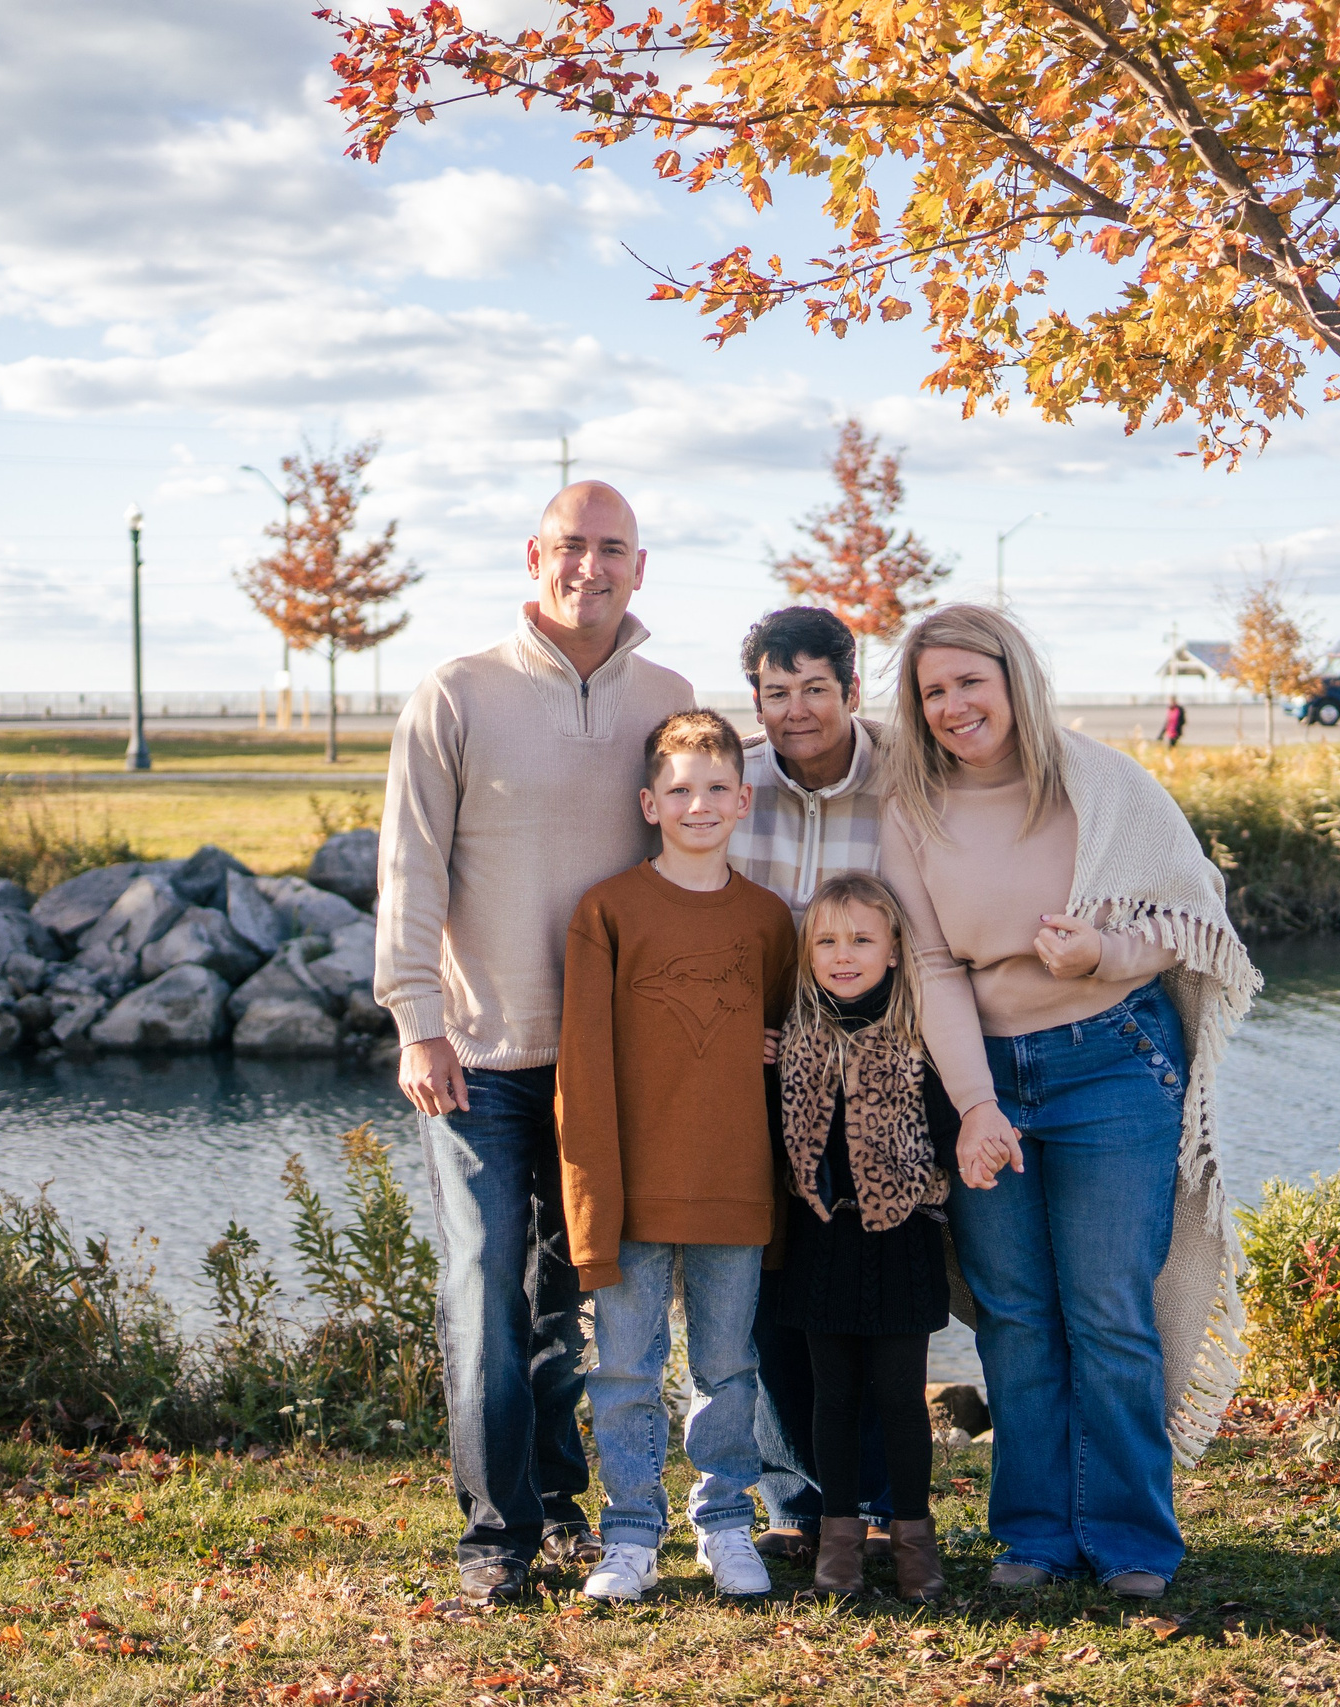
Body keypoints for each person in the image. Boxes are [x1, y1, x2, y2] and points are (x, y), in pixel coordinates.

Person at [878, 602, 1258, 1600]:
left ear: (1012, 680)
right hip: (987, 1076)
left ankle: (1131, 1537)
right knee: (1013, 1316)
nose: (956, 705)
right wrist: (971, 1105)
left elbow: (1186, 913)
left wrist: (1105, 951)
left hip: (1111, 1062)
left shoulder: (1099, 786)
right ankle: (1036, 1536)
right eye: (934, 691)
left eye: (971, 681)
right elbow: (930, 967)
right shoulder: (914, 812)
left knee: (1107, 1310)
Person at [375, 481, 696, 1608]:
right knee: (483, 1292)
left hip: (611, 1061)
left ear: (639, 568)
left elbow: (693, 864)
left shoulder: (669, 697)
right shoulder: (455, 693)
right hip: (475, 1052)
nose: (590, 568)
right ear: (533, 556)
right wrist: (416, 1020)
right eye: (572, 547)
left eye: (613, 550)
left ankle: (559, 1499)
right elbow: (410, 870)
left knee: (572, 1292)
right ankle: (495, 1536)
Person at [556, 710, 798, 1601]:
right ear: (650, 802)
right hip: (634, 1186)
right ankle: (628, 1535)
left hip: (734, 1184)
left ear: (742, 799)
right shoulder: (608, 911)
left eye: (716, 788)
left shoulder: (769, 920)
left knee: (728, 1367)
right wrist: (593, 1203)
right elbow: (581, 1068)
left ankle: (726, 1523)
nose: (699, 804)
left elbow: (780, 1040)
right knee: (623, 1367)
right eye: (680, 789)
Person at [726, 605, 895, 1562]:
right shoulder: (732, 785)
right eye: (775, 692)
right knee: (766, 1292)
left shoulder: (905, 781)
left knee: (866, 1289)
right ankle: (793, 1503)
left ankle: (871, 1500)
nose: (795, 711)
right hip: (755, 1072)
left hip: (874, 1075)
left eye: (814, 690)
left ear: (851, 688)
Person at [772, 871, 957, 1602]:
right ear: (807, 951)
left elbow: (950, 1133)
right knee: (833, 1397)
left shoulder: (919, 1037)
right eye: (826, 940)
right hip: (822, 1244)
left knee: (900, 1396)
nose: (842, 954)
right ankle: (837, 1545)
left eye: (860, 939)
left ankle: (914, 1539)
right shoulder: (794, 1041)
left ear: (892, 948)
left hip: (901, 1240)